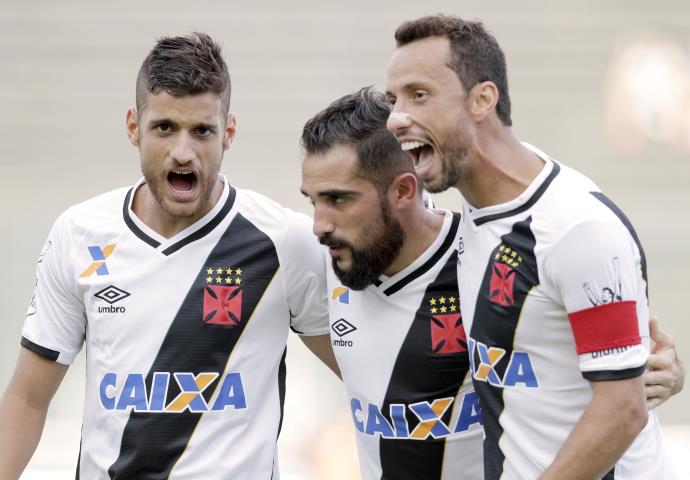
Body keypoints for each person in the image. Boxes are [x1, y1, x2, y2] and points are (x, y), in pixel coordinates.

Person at [0, 32, 337, 479]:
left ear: (228, 133)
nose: (183, 152)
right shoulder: (80, 235)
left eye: (202, 131)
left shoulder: (284, 241)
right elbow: (27, 399)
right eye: (164, 128)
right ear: (133, 127)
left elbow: (368, 377)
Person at [384, 14, 683, 479]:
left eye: (418, 95)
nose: (396, 118)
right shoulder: (476, 215)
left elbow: (623, 410)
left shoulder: (576, 227)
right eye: (393, 100)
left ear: (483, 99)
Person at [300, 87, 483, 479]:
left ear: (403, 190)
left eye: (339, 199)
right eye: (312, 201)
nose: (319, 225)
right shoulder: (320, 260)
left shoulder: (484, 264)